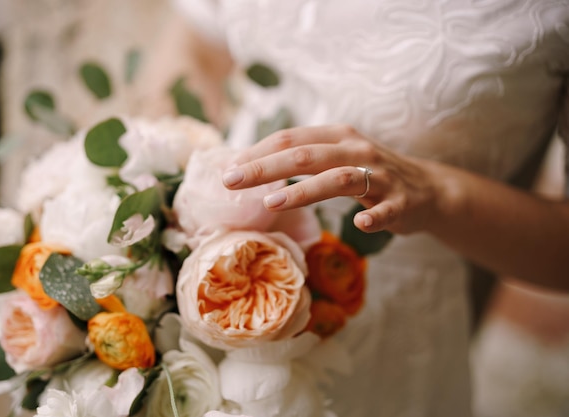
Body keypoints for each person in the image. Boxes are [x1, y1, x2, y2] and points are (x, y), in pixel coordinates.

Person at [148, 1, 569, 416]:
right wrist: (164, 185)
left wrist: (437, 194)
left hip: (393, 320)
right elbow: (195, 49)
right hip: (200, 265)